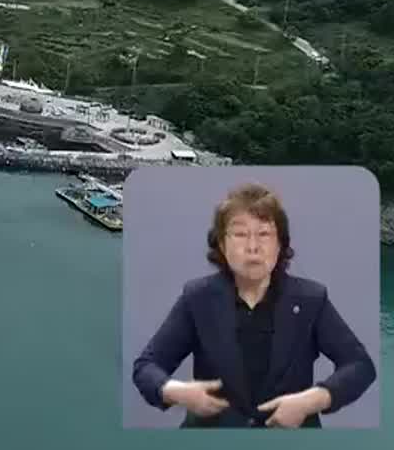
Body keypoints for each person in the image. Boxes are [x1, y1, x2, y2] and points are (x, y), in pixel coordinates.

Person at [131, 182, 375, 427]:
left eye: (264, 234)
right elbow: (147, 367)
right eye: (240, 234)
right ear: (222, 246)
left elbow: (360, 365)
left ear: (280, 245)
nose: (252, 247)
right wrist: (176, 391)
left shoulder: (311, 299)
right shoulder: (197, 298)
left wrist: (312, 401)